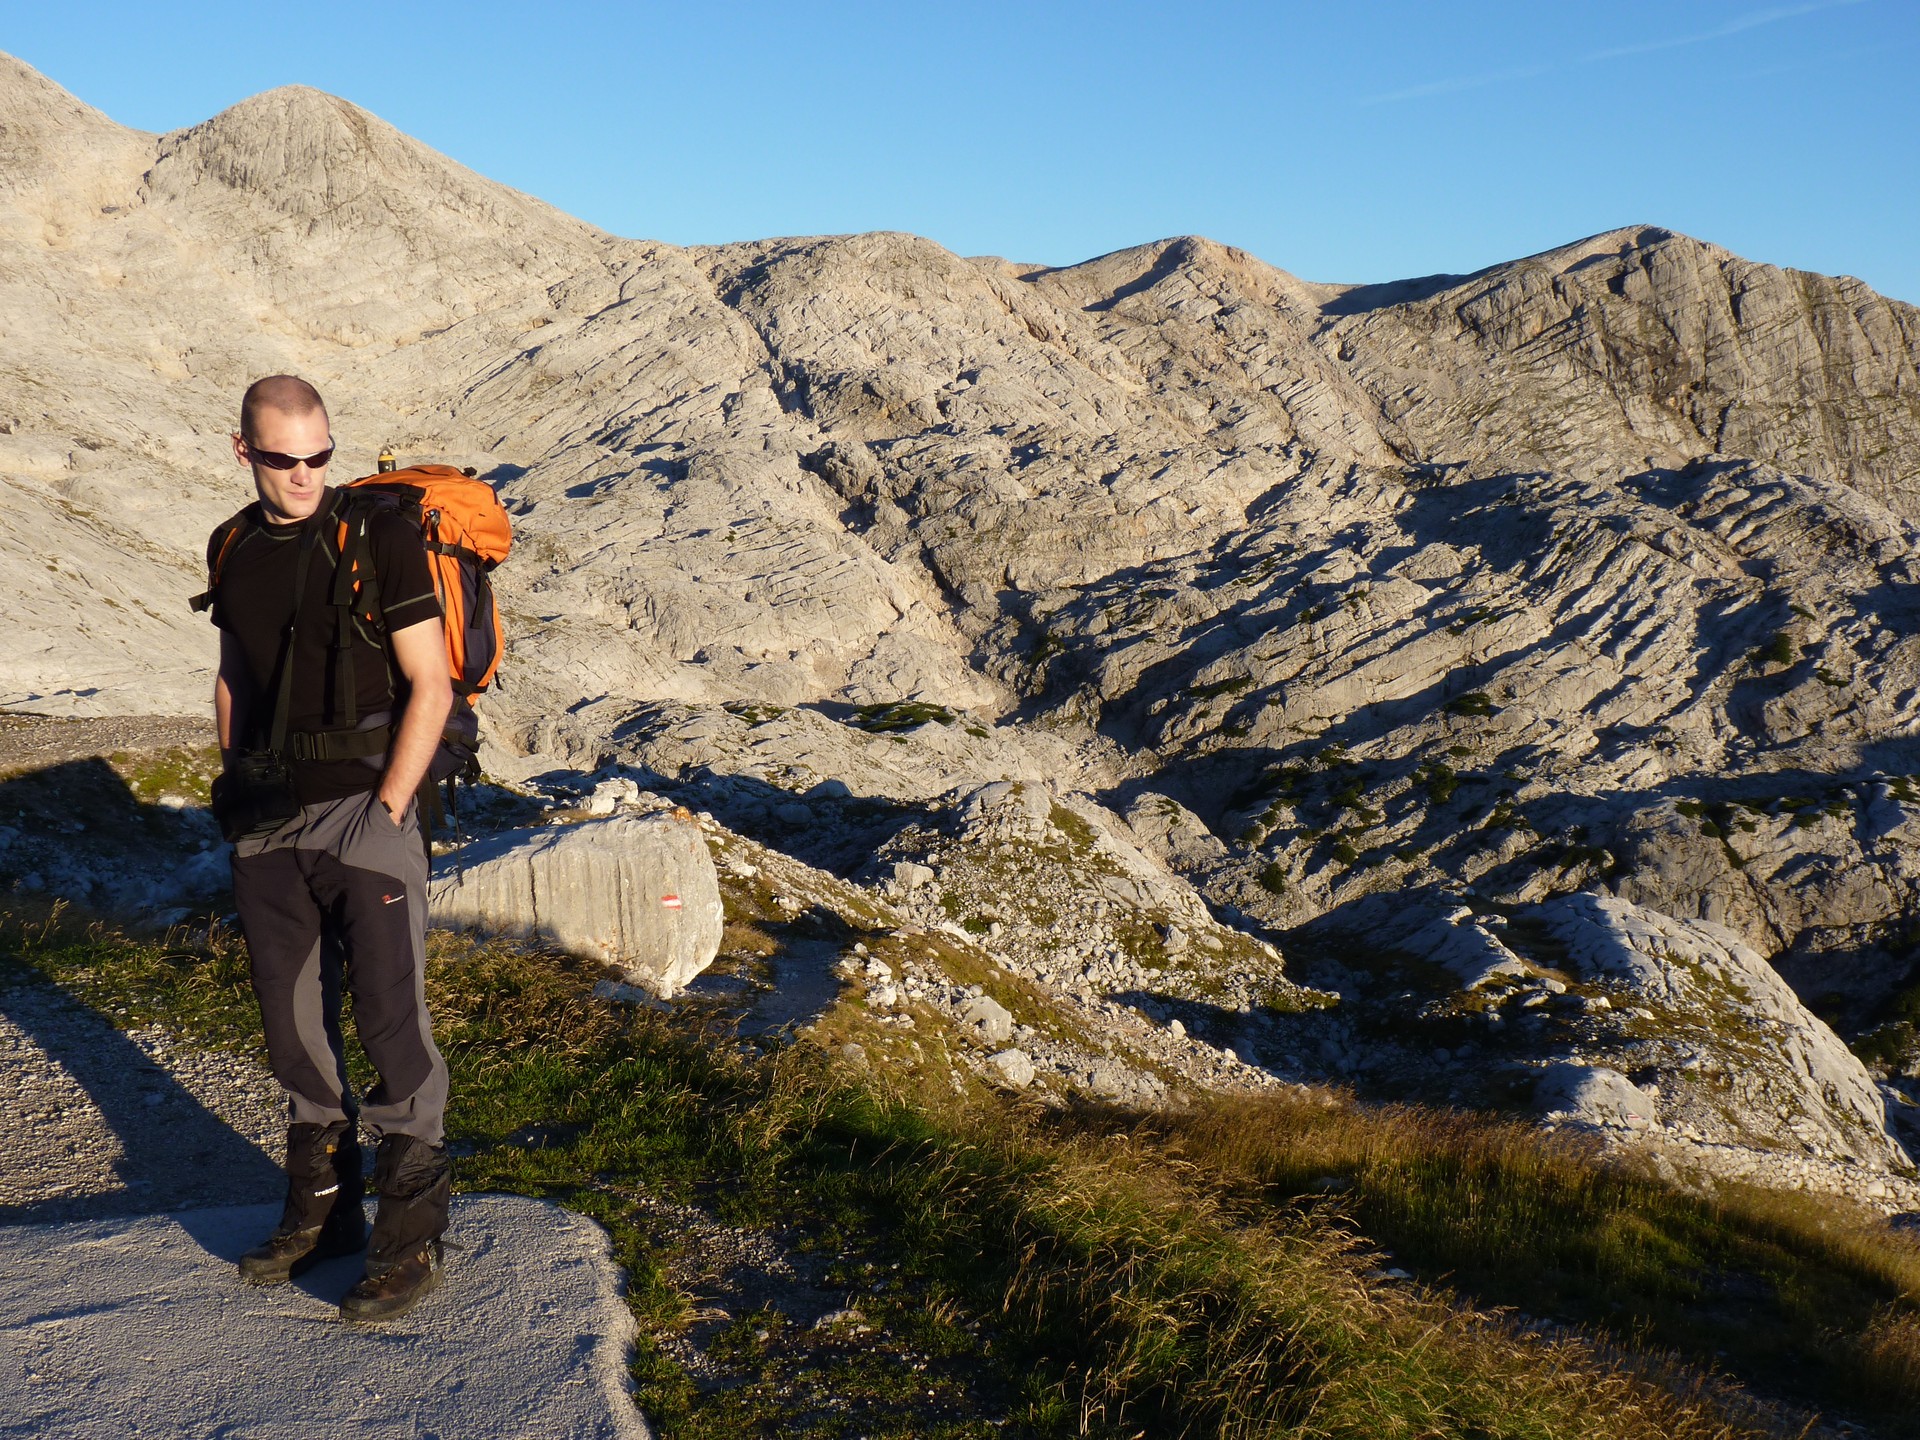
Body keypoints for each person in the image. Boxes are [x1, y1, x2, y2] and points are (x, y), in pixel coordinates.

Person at [205, 374, 455, 1321]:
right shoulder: (232, 546)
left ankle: (410, 1236)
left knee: (392, 1020)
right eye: (283, 459)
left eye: (320, 456)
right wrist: (238, 785)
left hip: (363, 813)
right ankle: (323, 1213)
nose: (304, 474)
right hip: (269, 822)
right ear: (245, 452)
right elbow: (234, 672)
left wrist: (389, 810)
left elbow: (430, 683)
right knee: (292, 1025)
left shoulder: (379, 537)